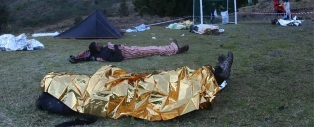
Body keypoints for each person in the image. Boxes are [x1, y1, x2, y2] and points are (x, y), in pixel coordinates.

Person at [37, 51, 234, 122]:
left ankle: (213, 73)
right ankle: (216, 76)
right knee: (165, 89)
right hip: (120, 94)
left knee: (165, 78)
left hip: (122, 83)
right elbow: (91, 102)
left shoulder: (63, 89)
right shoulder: (61, 100)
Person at [68, 39, 189, 63]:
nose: (99, 42)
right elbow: (118, 59)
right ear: (97, 48)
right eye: (97, 44)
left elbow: (86, 55)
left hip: (128, 49)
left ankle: (172, 47)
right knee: (153, 50)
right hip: (129, 53)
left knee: (152, 48)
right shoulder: (104, 54)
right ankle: (175, 50)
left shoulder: (102, 50)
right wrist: (114, 48)